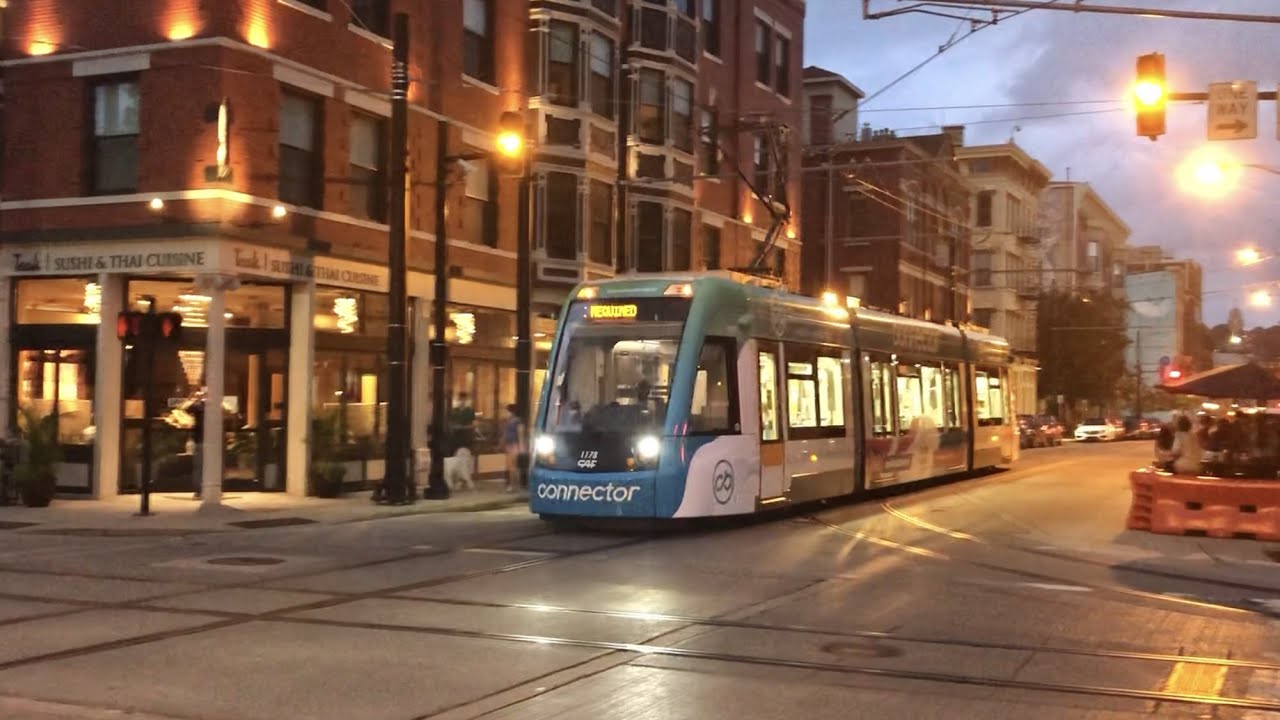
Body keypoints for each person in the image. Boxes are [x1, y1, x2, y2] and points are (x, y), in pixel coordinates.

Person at [501, 404, 525, 492]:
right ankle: (513, 484)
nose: (506, 413)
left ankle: (513, 484)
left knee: (513, 465)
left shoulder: (518, 421)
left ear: (511, 412)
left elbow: (520, 434)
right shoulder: (508, 421)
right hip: (509, 444)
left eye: (507, 411)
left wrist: (521, 446)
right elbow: (505, 433)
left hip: (514, 445)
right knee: (510, 465)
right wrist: (502, 442)